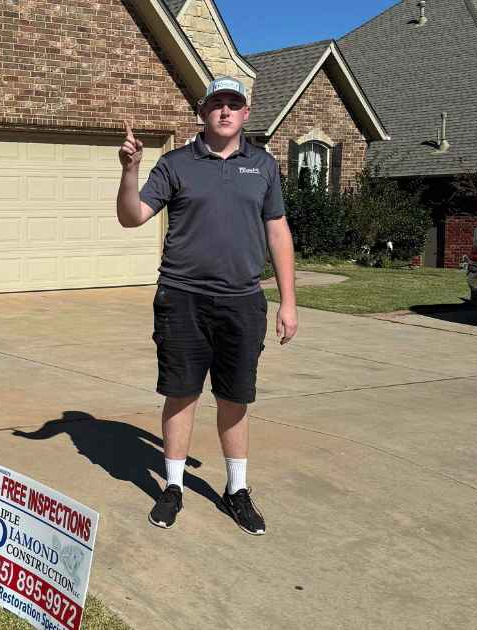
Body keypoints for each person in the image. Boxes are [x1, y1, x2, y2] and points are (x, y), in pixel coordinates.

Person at [116, 76, 298, 535]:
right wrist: (130, 170)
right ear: (202, 112)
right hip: (182, 298)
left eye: (233, 104)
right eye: (216, 104)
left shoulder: (263, 166)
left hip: (242, 300)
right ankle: (173, 487)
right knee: (181, 393)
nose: (224, 111)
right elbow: (132, 216)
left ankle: (237, 491)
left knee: (234, 397)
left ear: (246, 113)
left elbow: (278, 232)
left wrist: (288, 302)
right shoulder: (176, 163)